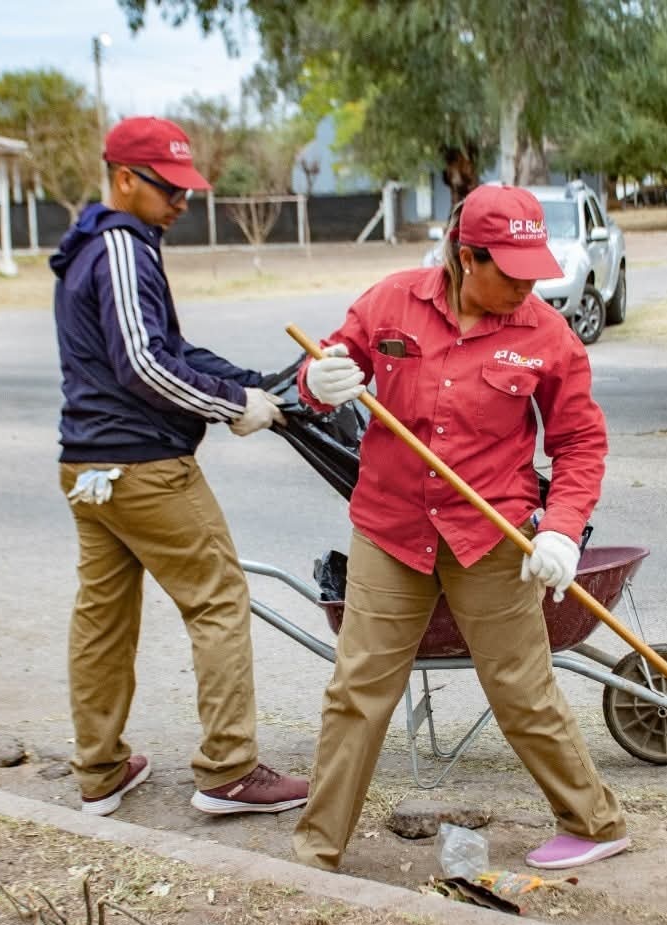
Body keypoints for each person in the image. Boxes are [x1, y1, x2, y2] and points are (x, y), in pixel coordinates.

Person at [290, 184, 629, 873]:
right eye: (512, 271)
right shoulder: (389, 302)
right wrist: (315, 382)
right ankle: (316, 849)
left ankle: (595, 823)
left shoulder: (547, 336)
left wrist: (562, 530)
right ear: (466, 256)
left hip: (491, 536)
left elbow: (580, 443)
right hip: (391, 529)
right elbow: (324, 367)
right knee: (357, 691)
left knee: (522, 688)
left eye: (535, 269)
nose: (529, 286)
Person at [50, 116, 308, 819]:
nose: (182, 203)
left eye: (188, 191)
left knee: (102, 618)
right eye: (171, 189)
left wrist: (260, 384)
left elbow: (174, 348)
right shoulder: (123, 249)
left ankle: (100, 769)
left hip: (88, 468)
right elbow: (143, 363)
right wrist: (234, 406)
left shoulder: (88, 248)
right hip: (143, 465)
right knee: (220, 599)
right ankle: (229, 770)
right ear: (125, 179)